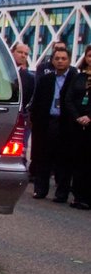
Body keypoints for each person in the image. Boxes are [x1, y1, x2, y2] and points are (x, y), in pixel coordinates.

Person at [28, 47, 81, 202]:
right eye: (57, 58)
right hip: (46, 122)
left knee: (64, 160)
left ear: (69, 61)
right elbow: (37, 101)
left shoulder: (75, 78)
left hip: (66, 124)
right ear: (52, 60)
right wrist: (35, 120)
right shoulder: (46, 79)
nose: (60, 61)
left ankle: (61, 193)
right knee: (42, 157)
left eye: (63, 58)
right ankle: (40, 189)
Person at [65, 70, 91, 210]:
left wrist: (89, 117)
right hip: (76, 125)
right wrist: (77, 117)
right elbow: (69, 98)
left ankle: (87, 198)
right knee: (77, 161)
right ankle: (77, 196)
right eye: (88, 56)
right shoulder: (79, 77)